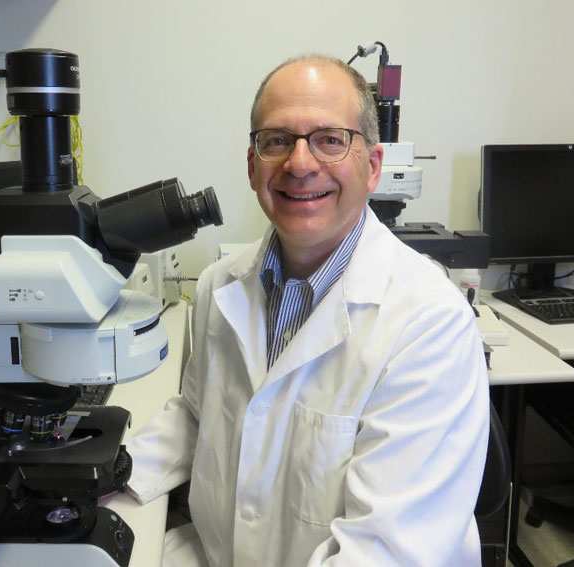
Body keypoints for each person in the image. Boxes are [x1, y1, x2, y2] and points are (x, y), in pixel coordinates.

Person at [125, 54, 490, 566]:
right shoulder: (217, 287)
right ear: (253, 167)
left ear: (374, 167)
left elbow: (382, 554)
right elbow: (196, 413)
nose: (299, 164)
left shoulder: (429, 323)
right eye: (277, 140)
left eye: (330, 139)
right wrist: (111, 476)